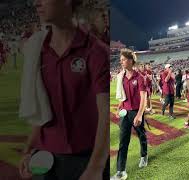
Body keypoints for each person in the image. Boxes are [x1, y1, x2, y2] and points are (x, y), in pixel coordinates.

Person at [19, 0, 109, 179]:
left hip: (86, 160)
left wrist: (95, 167)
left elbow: (106, 112)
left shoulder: (96, 51)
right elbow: (41, 106)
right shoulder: (38, 50)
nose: (36, 3)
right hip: (45, 158)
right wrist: (28, 149)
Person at [112, 48, 148, 180]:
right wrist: (119, 107)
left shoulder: (140, 78)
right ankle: (121, 171)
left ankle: (144, 155)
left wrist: (139, 115)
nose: (121, 62)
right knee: (123, 141)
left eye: (123, 59)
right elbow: (122, 96)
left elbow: (143, 98)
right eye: (120, 60)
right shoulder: (121, 77)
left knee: (141, 135)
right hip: (125, 113)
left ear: (131, 60)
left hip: (136, 111)